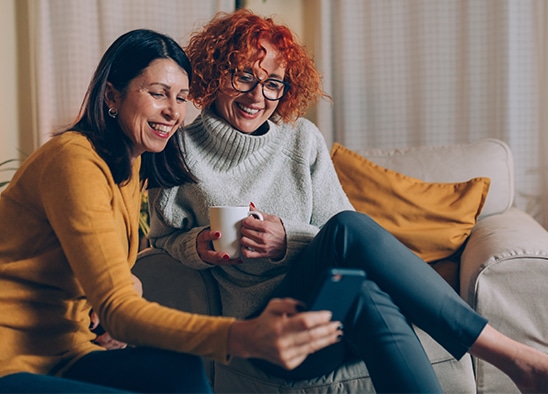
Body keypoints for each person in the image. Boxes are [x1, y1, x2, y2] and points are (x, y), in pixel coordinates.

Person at [147, 9, 548, 393]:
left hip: (333, 314)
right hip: (272, 333)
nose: (257, 96)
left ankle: (519, 363)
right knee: (359, 268)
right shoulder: (179, 148)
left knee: (358, 270)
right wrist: (199, 245)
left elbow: (345, 237)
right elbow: (164, 238)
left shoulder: (301, 141)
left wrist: (287, 240)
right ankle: (517, 360)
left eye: (273, 83)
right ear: (216, 70)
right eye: (244, 76)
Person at [0, 28, 343, 394]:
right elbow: (118, 307)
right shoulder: (74, 161)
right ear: (111, 93)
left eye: (181, 97)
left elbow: (99, 264)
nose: (172, 112)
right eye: (157, 93)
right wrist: (242, 336)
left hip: (69, 353)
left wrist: (123, 286)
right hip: (13, 360)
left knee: (181, 373)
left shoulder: (130, 166)